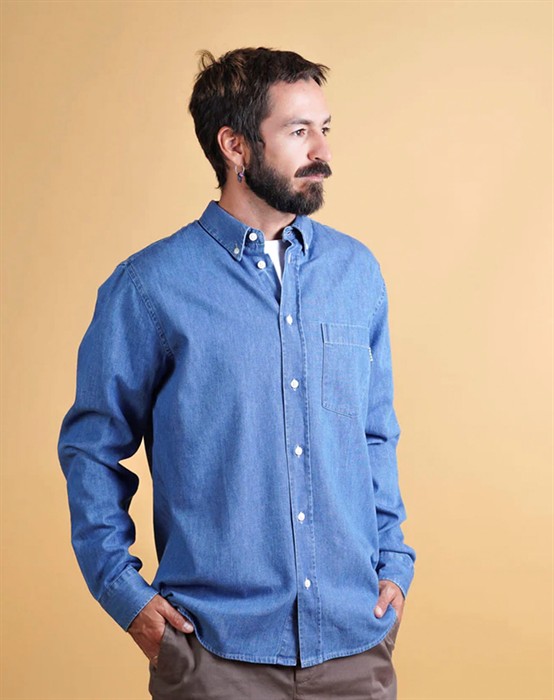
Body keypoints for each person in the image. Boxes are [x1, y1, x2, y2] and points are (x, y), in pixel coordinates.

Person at [58, 47, 416, 700]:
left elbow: (373, 432)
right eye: (298, 131)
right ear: (235, 145)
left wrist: (394, 560)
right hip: (214, 653)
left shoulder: (356, 273)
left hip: (354, 642)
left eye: (324, 128)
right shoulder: (150, 286)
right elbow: (92, 448)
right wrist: (126, 595)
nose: (323, 151)